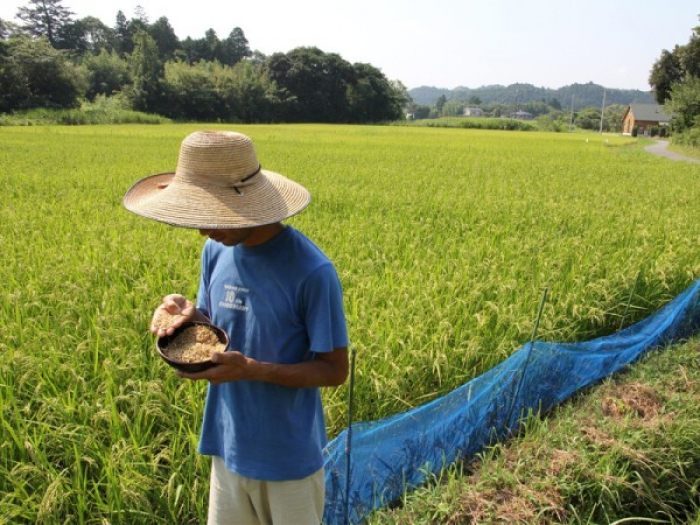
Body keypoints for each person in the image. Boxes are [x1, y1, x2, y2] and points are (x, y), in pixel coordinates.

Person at [123, 130, 349, 525]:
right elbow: (215, 324)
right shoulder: (216, 249)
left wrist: (253, 370)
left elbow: (334, 370)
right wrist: (189, 315)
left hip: (288, 461)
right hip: (227, 446)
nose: (203, 230)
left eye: (213, 215)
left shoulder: (312, 272)